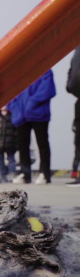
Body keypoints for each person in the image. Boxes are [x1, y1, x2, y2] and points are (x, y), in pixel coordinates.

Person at [9, 70, 56, 184]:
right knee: (22, 146)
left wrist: (31, 103)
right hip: (20, 114)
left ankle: (44, 173)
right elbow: (9, 92)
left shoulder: (45, 69)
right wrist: (14, 107)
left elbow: (48, 89)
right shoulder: (16, 73)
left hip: (38, 113)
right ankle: (25, 174)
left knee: (42, 144)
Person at [0, 106, 18, 183]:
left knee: (11, 159)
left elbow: (16, 128)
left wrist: (14, 136)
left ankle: (11, 174)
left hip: (10, 142)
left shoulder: (12, 115)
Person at [66, 46, 80, 187]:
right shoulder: (76, 49)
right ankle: (76, 174)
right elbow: (72, 69)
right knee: (78, 142)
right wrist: (69, 85)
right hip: (79, 100)